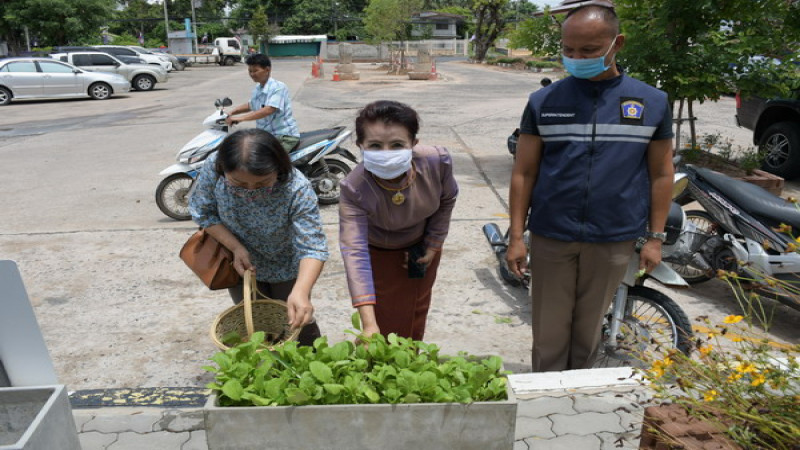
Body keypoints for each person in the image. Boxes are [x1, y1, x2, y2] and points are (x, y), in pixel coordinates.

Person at [506, 2, 675, 372]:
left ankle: (577, 399)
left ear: (618, 44)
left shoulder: (652, 102)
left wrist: (655, 237)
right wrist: (516, 235)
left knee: (588, 330)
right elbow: (524, 173)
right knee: (548, 330)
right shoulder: (543, 102)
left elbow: (662, 174)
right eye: (568, 50)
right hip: (552, 234)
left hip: (613, 237)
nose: (576, 58)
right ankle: (546, 399)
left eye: (589, 51)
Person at [189, 128, 328, 345]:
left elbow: (313, 247)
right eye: (239, 184)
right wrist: (235, 247)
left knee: (295, 322)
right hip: (239, 261)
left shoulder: (296, 188)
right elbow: (203, 212)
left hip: (285, 262)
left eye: (262, 184)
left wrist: (301, 291)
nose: (251, 191)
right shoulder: (214, 168)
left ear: (278, 170)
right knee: (254, 325)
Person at [339, 100, 459, 341]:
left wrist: (433, 243)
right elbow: (355, 251)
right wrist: (369, 324)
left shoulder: (437, 162)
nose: (386, 153)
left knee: (417, 308)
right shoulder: (354, 187)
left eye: (396, 145)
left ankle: (411, 361)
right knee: (384, 318)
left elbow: (447, 199)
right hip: (379, 256)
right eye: (374, 145)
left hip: (421, 249)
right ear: (360, 145)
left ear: (413, 143)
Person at [225, 54, 300, 152]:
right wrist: (231, 112)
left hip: (284, 137)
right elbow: (251, 105)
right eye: (250, 71)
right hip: (267, 137)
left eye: (255, 70)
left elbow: (268, 110)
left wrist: (240, 118)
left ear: (267, 70)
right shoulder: (258, 88)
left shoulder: (278, 87)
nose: (252, 74)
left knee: (266, 164)